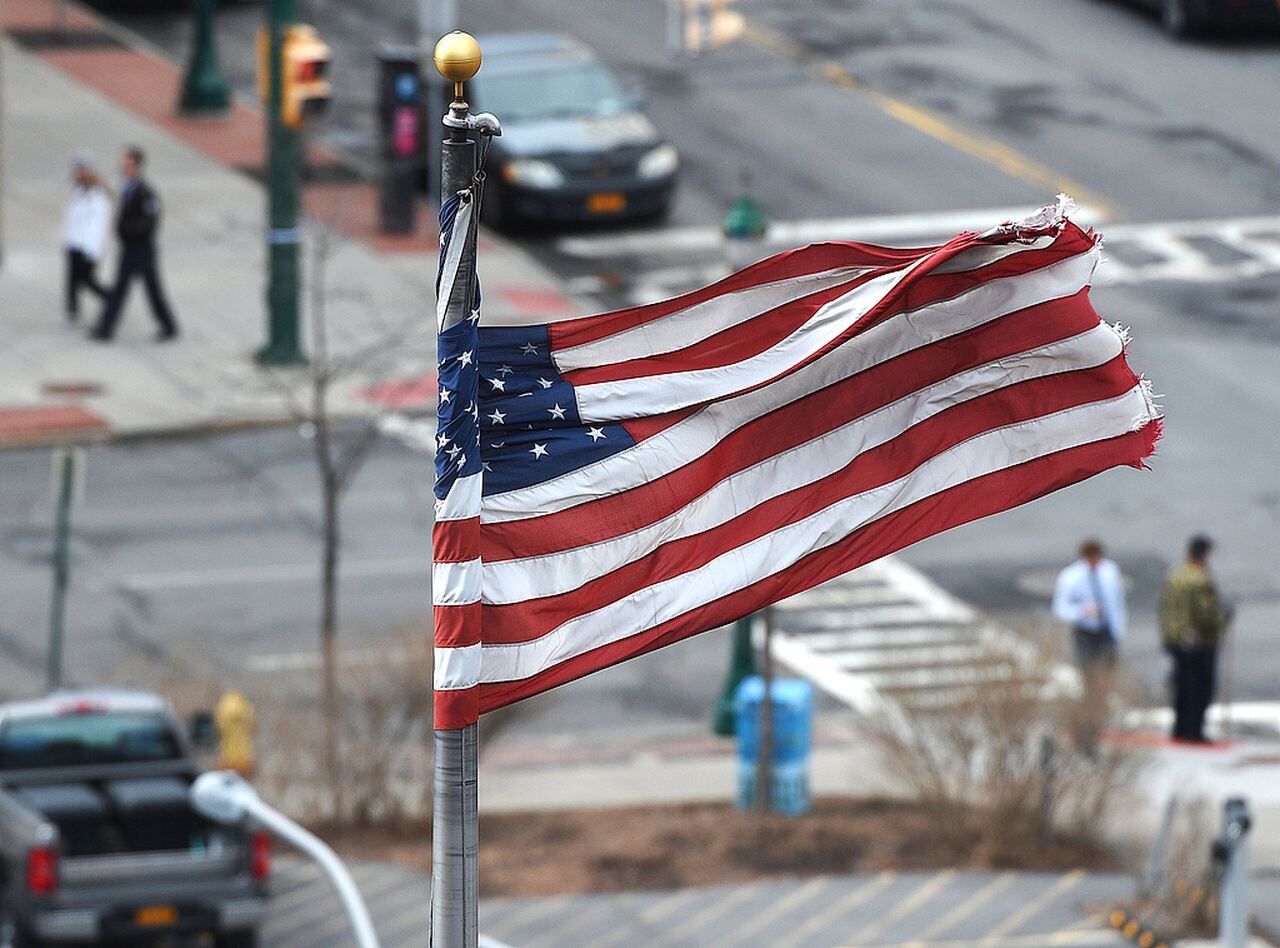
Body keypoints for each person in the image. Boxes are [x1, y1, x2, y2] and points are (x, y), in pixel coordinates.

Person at [90, 145, 179, 342]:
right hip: (128, 249)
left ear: (137, 165)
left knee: (153, 290)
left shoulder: (145, 191)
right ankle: (105, 328)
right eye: (123, 162)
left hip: (142, 249)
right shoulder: (128, 187)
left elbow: (151, 220)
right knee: (119, 288)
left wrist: (130, 232)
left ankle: (169, 327)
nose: (124, 166)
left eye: (128, 163)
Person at [1159, 535, 1231, 743]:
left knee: (1182, 685)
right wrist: (1223, 618)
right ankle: (1194, 731)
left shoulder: (1175, 574)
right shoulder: (1200, 579)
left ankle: (1180, 729)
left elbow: (1164, 608)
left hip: (1176, 640)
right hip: (1199, 642)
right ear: (1204, 554)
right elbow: (1205, 613)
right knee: (1201, 687)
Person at [1052, 538, 1127, 670]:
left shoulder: (1109, 572)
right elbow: (1060, 608)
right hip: (1085, 632)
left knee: (1109, 667)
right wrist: (1081, 612)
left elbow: (1117, 601)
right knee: (1087, 668)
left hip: (1106, 629)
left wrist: (1118, 627)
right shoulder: (1071, 577)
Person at [62, 153, 112, 323]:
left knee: (87, 280)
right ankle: (72, 311)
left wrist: (92, 251)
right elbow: (72, 219)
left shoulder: (97, 196)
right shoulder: (77, 190)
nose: (77, 173)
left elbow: (98, 227)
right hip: (74, 244)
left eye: (81, 169)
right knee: (71, 281)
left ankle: (111, 298)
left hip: (87, 247)